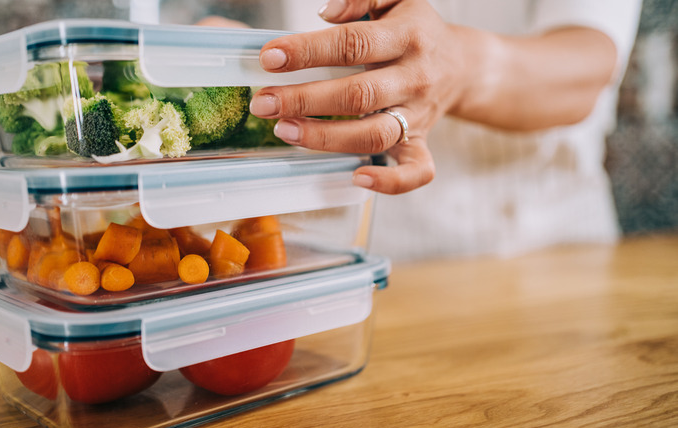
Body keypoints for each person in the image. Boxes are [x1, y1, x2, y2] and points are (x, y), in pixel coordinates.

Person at [243, 0, 642, 260]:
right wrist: (239, 57)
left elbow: (588, 67)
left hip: (545, 254)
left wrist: (459, 67)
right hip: (337, 254)